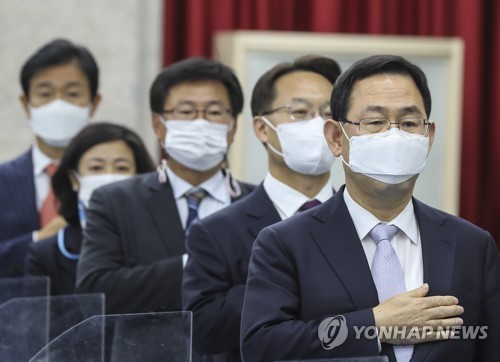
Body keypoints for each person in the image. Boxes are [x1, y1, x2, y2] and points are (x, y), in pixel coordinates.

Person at [240, 55, 500, 362]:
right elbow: (262, 346)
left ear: (428, 137)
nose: (393, 135)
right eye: (375, 122)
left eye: (408, 123)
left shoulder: (472, 244)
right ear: (337, 138)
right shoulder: (285, 243)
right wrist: (373, 326)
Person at [182, 55, 341, 361]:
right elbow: (204, 330)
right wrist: (295, 277)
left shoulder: (364, 220)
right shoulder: (216, 231)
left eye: (328, 113)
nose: (318, 124)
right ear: (262, 128)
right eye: (299, 112)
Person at [75, 57, 255, 314]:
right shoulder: (115, 201)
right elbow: (95, 290)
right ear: (158, 125)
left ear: (233, 126)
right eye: (185, 112)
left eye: (214, 112)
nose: (200, 122)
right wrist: (194, 263)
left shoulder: (259, 202)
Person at [0, 39, 101, 277]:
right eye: (45, 93)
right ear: (26, 103)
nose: (58, 104)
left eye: (72, 93)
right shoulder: (3, 180)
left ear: (94, 102)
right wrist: (40, 239)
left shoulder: (114, 178)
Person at [24, 122, 155, 295]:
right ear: (74, 179)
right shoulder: (47, 254)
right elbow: (36, 319)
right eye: (96, 168)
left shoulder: (161, 242)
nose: (108, 176)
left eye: (122, 168)